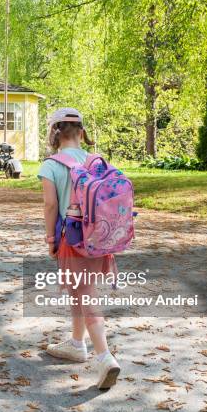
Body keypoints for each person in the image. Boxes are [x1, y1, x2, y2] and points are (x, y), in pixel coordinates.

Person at [37, 107, 121, 390]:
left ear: (53, 133)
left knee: (85, 294)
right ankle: (76, 343)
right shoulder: (95, 161)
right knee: (79, 290)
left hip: (73, 240)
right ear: (81, 133)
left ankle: (105, 357)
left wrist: (50, 240)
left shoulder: (51, 165)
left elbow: (50, 206)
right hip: (100, 238)